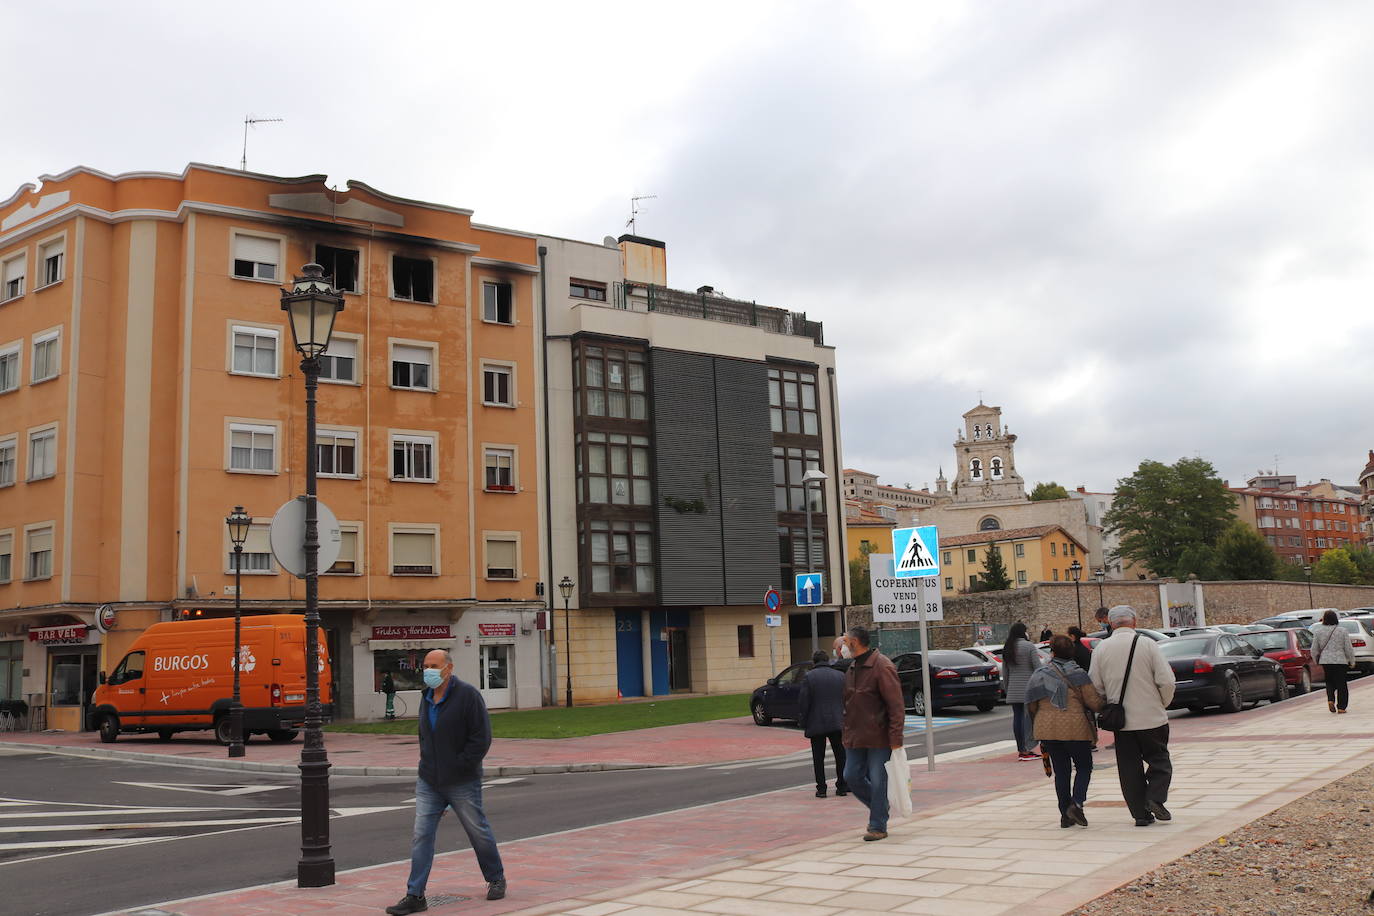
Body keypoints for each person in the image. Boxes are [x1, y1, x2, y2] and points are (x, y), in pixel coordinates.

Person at [386, 649, 506, 915]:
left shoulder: (468, 696)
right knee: (421, 835)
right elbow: (424, 735)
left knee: (477, 830)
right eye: (426, 666)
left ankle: (495, 878)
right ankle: (415, 895)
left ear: (448, 669)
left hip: (462, 779)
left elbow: (481, 738)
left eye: (434, 665)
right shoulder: (426, 697)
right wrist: (426, 762)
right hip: (429, 779)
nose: (428, 670)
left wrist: (461, 764)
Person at [1089, 606, 1176, 827]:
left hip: (1122, 720)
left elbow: (1095, 687)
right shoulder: (1147, 644)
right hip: (1151, 716)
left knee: (1129, 767)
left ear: (1110, 623)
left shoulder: (1101, 648)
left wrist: (1107, 707)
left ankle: (1140, 814)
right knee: (1160, 760)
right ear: (1134, 622)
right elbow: (1166, 681)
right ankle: (1155, 797)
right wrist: (1161, 703)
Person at [1027, 635, 1105, 827]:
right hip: (1075, 727)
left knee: (1061, 772)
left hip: (1047, 729)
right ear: (1072, 652)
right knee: (1084, 766)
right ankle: (1076, 804)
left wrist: (1039, 720)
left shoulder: (1039, 673)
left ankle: (1065, 815)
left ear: (1052, 652)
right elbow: (1093, 702)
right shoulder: (1078, 674)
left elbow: (1031, 704)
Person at [840, 626, 905, 842]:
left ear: (855, 642)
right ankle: (880, 806)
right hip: (854, 736)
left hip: (879, 736)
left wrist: (896, 738)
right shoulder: (852, 668)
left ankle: (877, 825)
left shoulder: (882, 666)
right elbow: (849, 703)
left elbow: (896, 705)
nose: (842, 645)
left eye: (845, 641)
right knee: (851, 776)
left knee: (878, 781)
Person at [799, 650, 849, 798]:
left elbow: (804, 701)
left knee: (818, 757)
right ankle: (842, 786)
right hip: (837, 721)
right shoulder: (840, 676)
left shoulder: (809, 677)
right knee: (841, 755)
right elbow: (847, 698)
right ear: (828, 661)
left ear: (814, 662)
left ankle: (822, 788)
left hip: (817, 722)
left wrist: (803, 721)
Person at [1002, 622, 1043, 760]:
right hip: (1028, 688)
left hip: (1013, 689)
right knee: (1027, 720)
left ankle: (1021, 749)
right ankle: (1027, 749)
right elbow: (1037, 667)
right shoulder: (1029, 646)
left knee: (1017, 719)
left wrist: (1008, 689)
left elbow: (1005, 672)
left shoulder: (1008, 647)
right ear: (1022, 632)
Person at [1311, 610, 1355, 714]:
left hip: (1326, 661)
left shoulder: (1318, 631)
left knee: (1329, 681)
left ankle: (1330, 699)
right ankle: (1341, 707)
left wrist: (1315, 660)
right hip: (1340, 661)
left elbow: (1313, 649)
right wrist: (1352, 660)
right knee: (1341, 684)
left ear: (1324, 619)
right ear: (1336, 619)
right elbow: (1348, 648)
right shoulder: (1342, 631)